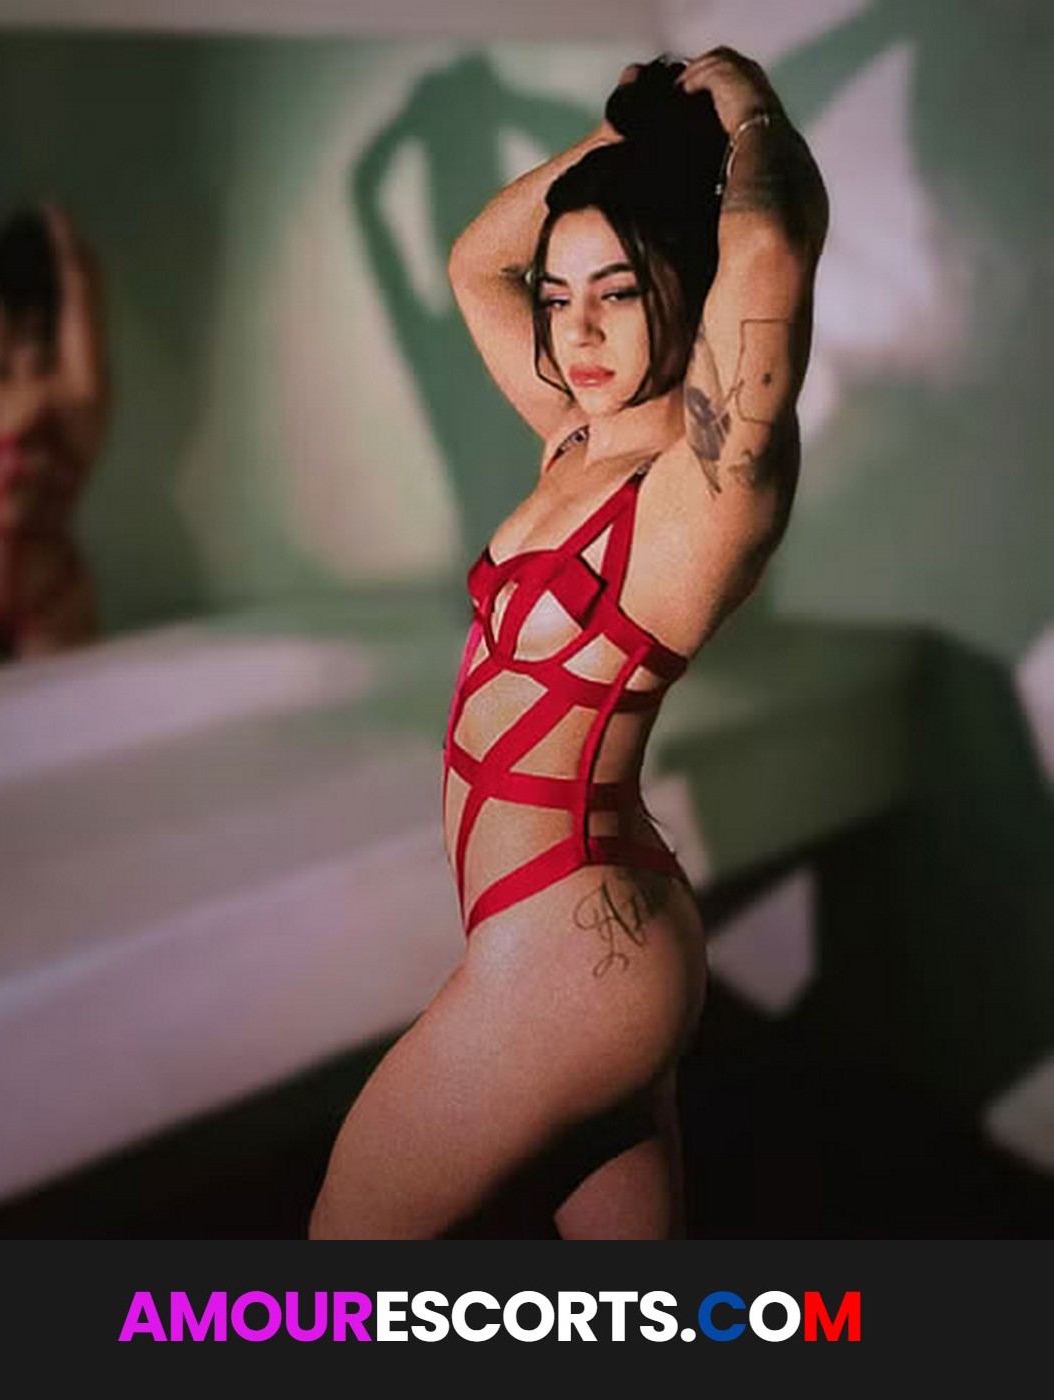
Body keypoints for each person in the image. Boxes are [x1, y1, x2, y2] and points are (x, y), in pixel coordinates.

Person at [309, 48, 828, 1239]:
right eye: (559, 297)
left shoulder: (703, 486)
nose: (577, 330)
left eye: (619, 293)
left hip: (564, 958)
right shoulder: (574, 437)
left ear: (684, 287)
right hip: (593, 939)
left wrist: (744, 105)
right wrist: (622, 138)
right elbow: (473, 262)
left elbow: (766, 247)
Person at [0, 204, 108, 673]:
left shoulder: (70, 400)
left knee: (65, 718)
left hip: (45, 603)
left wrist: (65, 247)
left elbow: (82, 298)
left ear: (25, 320)